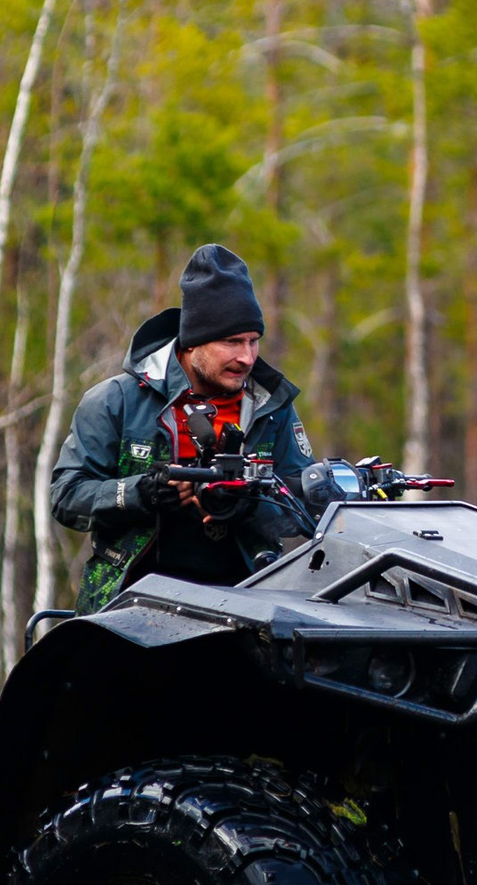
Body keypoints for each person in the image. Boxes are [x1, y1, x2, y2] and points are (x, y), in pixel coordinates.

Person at [50, 245, 317, 611]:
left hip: (247, 605)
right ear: (192, 343)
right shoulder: (116, 401)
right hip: (128, 604)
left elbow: (306, 506)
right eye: (231, 342)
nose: (247, 358)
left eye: (253, 341)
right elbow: (66, 497)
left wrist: (248, 503)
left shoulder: (272, 407)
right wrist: (141, 493)